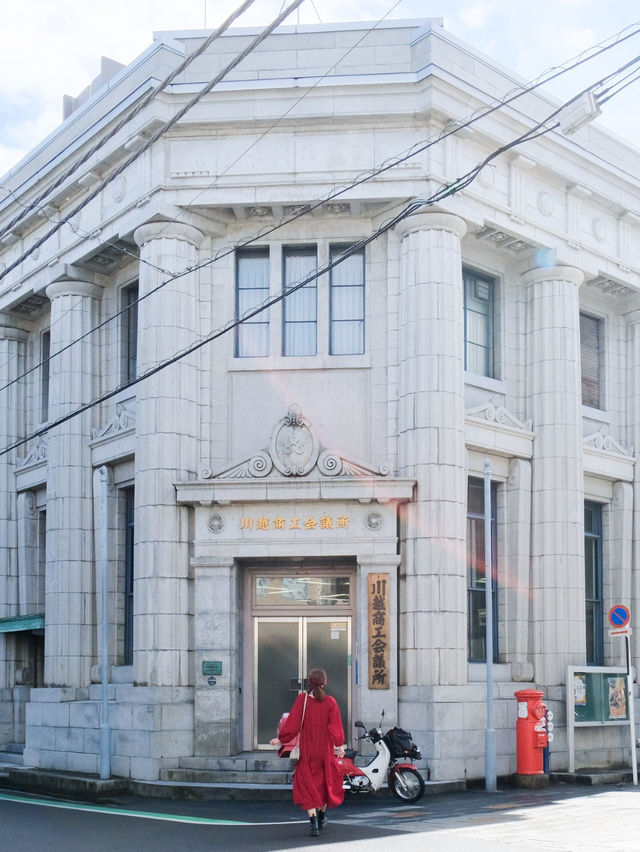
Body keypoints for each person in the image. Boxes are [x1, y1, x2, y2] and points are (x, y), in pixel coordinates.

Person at [270, 668, 346, 838]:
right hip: (324, 751)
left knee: (308, 786)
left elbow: (293, 724)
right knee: (324, 784)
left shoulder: (302, 700)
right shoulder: (330, 702)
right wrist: (339, 746)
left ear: (309, 682)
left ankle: (313, 825)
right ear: (324, 682)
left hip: (307, 751)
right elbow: (335, 726)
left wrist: (281, 739)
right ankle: (321, 817)